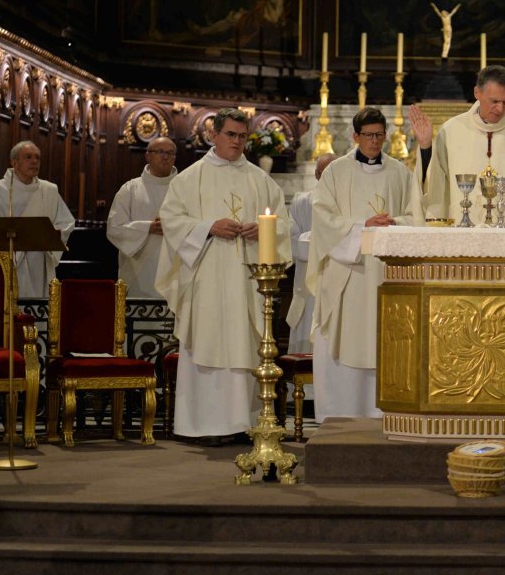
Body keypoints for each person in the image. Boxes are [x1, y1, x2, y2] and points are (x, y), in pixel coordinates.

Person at [155, 108, 290, 445]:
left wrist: (263, 231)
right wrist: (208, 227)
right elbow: (171, 220)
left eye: (243, 137)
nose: (237, 142)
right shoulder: (190, 178)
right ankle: (204, 426)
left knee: (246, 346)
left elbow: (284, 225)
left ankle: (245, 423)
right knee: (208, 342)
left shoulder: (260, 180)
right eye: (230, 135)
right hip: (207, 279)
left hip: (247, 280)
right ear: (213, 135)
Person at [307, 108, 421, 422]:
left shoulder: (400, 172)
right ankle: (340, 417)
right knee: (346, 339)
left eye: (379, 135)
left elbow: (417, 215)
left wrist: (394, 222)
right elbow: (324, 218)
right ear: (355, 137)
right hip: (349, 273)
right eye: (368, 135)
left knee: (383, 343)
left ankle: (384, 415)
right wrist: (362, 226)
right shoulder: (336, 172)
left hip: (386, 274)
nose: (374, 141)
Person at [409, 65, 505, 226]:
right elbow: (433, 185)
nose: (500, 109)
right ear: (477, 93)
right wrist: (426, 146)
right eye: (494, 101)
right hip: (462, 237)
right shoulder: (451, 131)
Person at [0, 141, 75, 299]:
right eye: (28, 157)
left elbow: (66, 223)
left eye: (38, 158)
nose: (34, 161)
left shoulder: (49, 190)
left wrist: (50, 237)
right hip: (10, 264)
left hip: (40, 262)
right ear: (14, 162)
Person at [105, 138, 178, 298]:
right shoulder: (130, 189)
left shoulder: (184, 189)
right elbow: (114, 229)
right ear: (148, 156)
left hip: (176, 270)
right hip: (139, 270)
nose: (165, 157)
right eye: (159, 152)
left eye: (170, 153)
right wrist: (148, 228)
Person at [285, 152, 335, 355]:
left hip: (336, 282)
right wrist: (327, 241)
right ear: (316, 174)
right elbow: (291, 243)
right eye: (326, 173)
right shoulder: (302, 203)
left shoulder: (348, 203)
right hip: (308, 288)